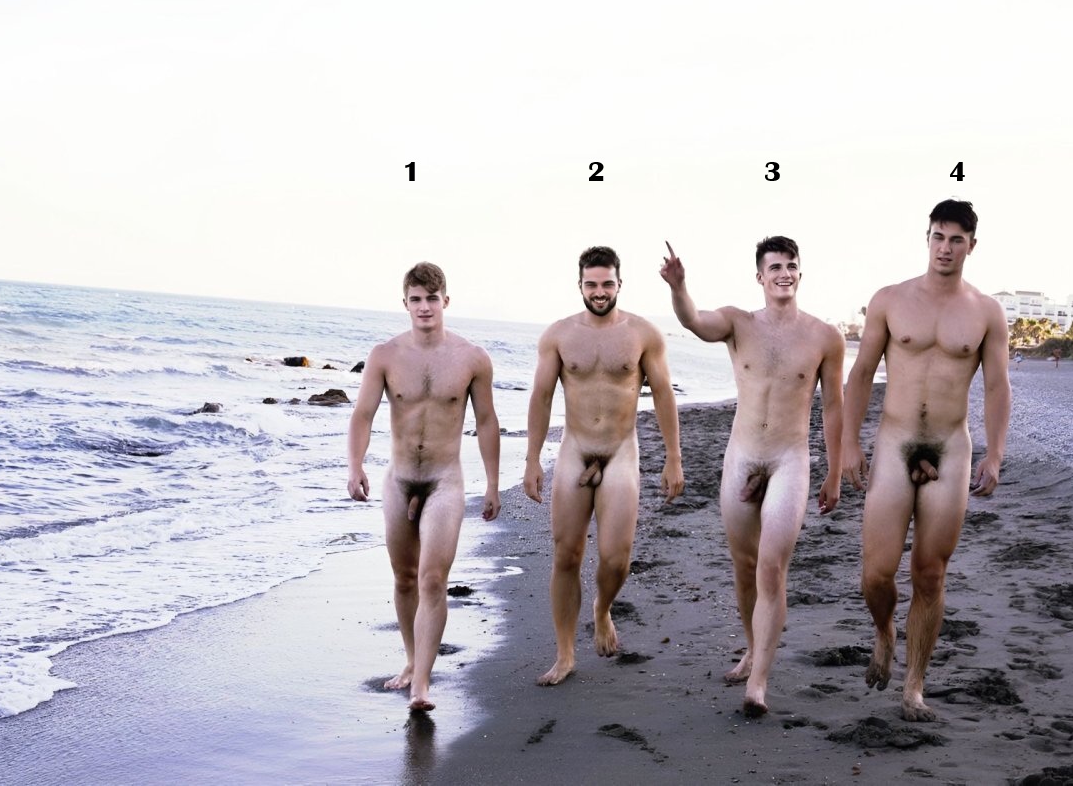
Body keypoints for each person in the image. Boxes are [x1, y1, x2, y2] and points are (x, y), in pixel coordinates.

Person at [661, 237, 844, 717]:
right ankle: (751, 647)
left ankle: (758, 682)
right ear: (759, 276)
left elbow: (833, 407)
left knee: (770, 567)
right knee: (744, 566)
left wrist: (834, 471)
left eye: (791, 265)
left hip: (789, 459)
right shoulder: (737, 323)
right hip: (742, 456)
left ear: (800, 273)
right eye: (774, 266)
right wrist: (679, 287)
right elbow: (693, 321)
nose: (784, 273)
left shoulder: (825, 337)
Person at [842, 199, 1010, 722]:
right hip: (894, 444)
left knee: (930, 574)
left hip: (950, 448)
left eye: (956, 239)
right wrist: (848, 443)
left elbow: (997, 386)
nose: (946, 248)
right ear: (927, 238)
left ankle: (914, 684)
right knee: (876, 574)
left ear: (971, 246)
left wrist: (995, 454)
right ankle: (884, 631)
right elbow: (861, 373)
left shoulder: (986, 312)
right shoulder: (890, 300)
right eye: (939, 236)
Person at [525, 245, 685, 686]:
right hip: (575, 450)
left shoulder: (643, 334)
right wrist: (533, 459)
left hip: (620, 453)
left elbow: (664, 395)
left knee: (616, 559)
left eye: (607, 284)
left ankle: (602, 608)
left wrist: (673, 457)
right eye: (592, 284)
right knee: (567, 554)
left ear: (619, 284)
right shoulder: (558, 335)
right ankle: (565, 654)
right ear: (579, 285)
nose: (600, 292)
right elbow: (541, 396)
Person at [347, 262, 501, 712]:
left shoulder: (472, 358)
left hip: (444, 481)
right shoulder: (385, 355)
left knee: (433, 578)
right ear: (405, 304)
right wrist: (355, 466)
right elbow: (363, 414)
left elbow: (486, 421)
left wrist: (493, 484)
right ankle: (412, 661)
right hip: (398, 480)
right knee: (404, 577)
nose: (425, 307)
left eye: (432, 298)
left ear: (445, 301)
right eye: (416, 299)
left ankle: (422, 684)